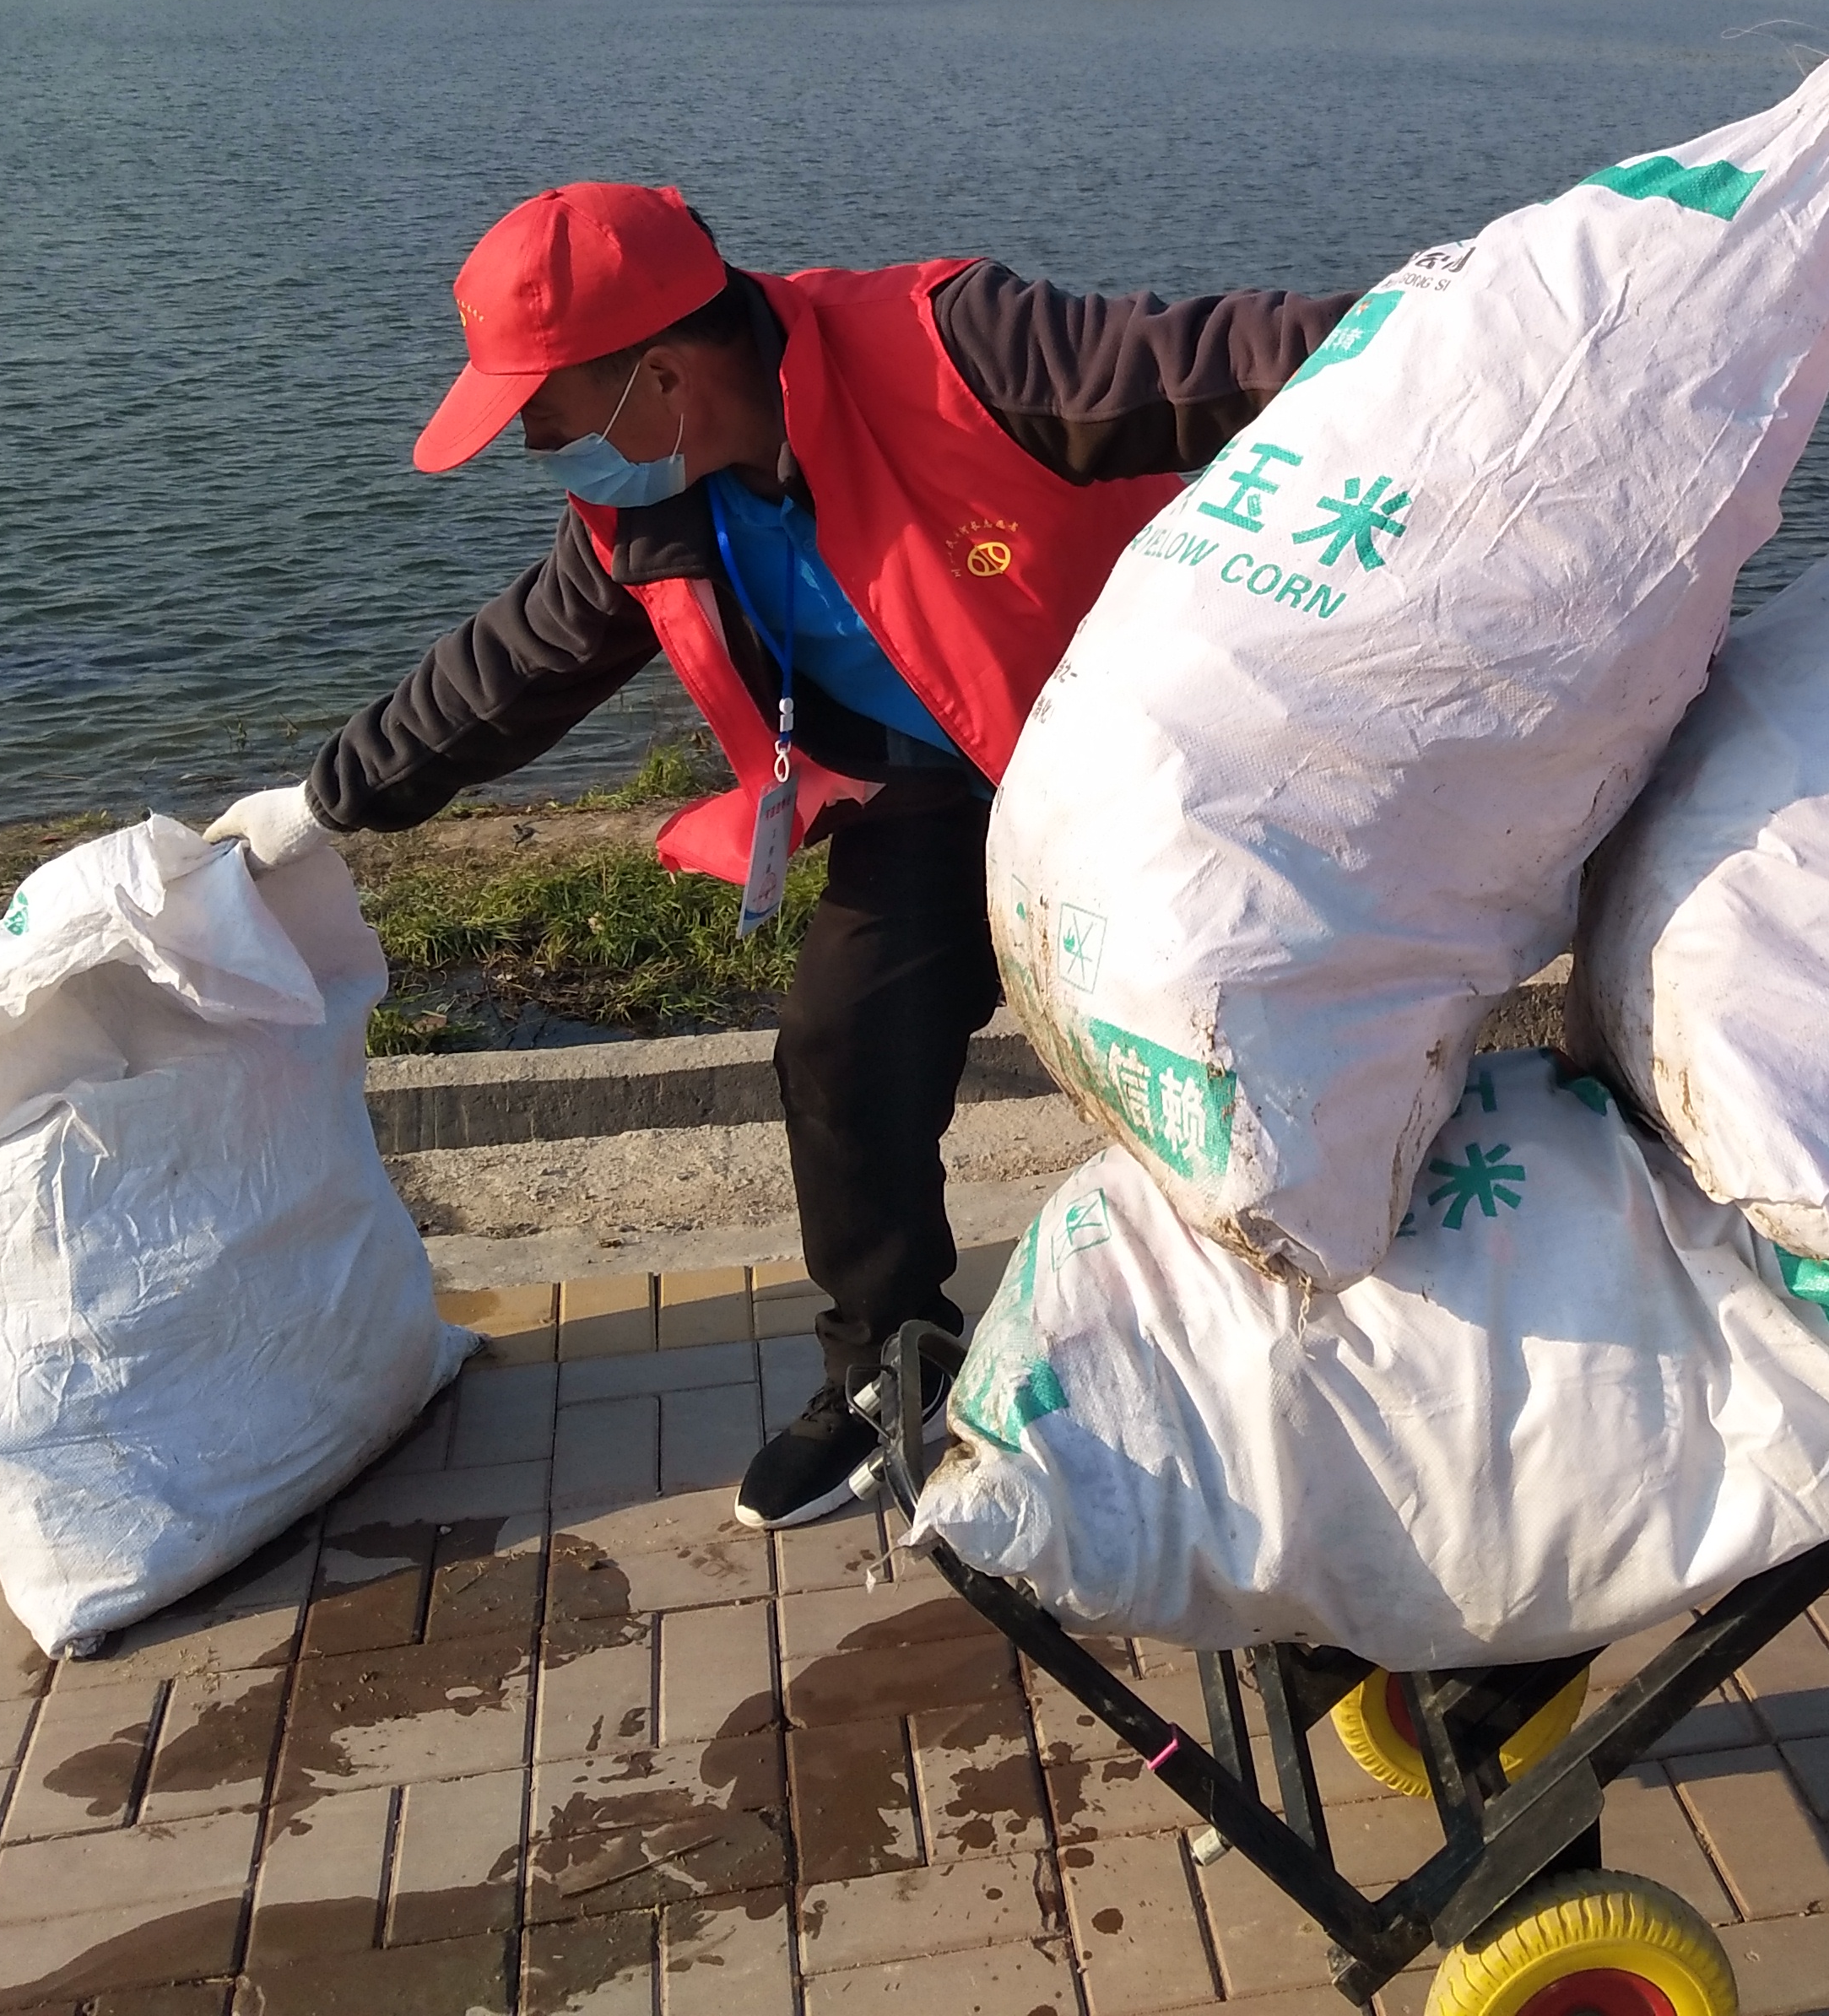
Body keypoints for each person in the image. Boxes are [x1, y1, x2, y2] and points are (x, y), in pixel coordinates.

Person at [207, 181, 1353, 1530]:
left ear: (662, 378)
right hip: (925, 799)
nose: (530, 441)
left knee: (1225, 1037)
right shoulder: (649, 510)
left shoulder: (958, 350)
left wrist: (1483, 326)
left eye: (546, 407)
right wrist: (321, 803)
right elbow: (516, 666)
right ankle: (892, 1364)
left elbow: (1230, 359)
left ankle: (1330, 1299)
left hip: (1132, 763)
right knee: (838, 1049)